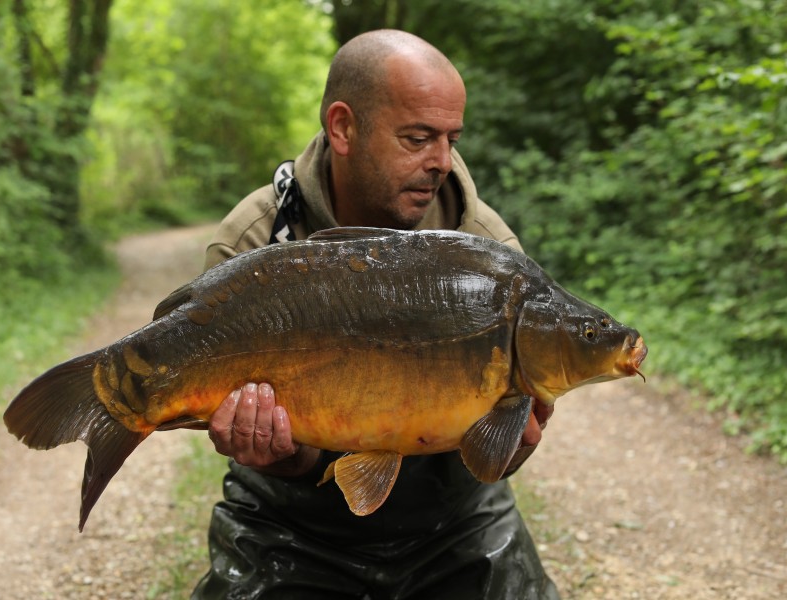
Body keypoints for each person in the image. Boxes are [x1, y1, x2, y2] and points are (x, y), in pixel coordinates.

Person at [191, 29, 558, 600]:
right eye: (417, 138)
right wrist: (282, 453)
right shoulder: (258, 241)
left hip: (452, 513)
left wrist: (511, 446)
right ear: (343, 127)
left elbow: (501, 445)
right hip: (291, 517)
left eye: (451, 139)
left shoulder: (490, 252)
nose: (441, 162)